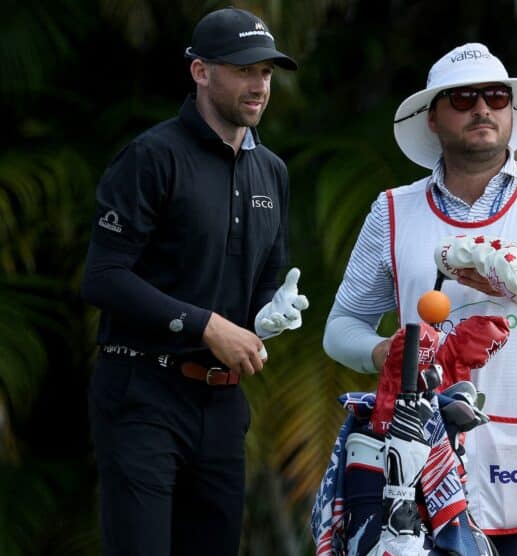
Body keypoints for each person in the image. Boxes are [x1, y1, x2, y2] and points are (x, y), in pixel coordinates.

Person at [323, 43, 517, 555]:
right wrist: (381, 352)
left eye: (496, 96)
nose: (483, 109)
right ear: (432, 118)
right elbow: (340, 329)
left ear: (511, 111)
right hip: (420, 449)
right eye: (463, 98)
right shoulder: (392, 211)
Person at [81, 7, 308, 556]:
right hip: (143, 395)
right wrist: (204, 324)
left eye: (268, 73)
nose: (259, 86)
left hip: (222, 407)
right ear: (201, 72)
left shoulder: (270, 171)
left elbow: (262, 283)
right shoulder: (153, 157)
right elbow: (104, 278)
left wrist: (266, 316)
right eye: (245, 70)